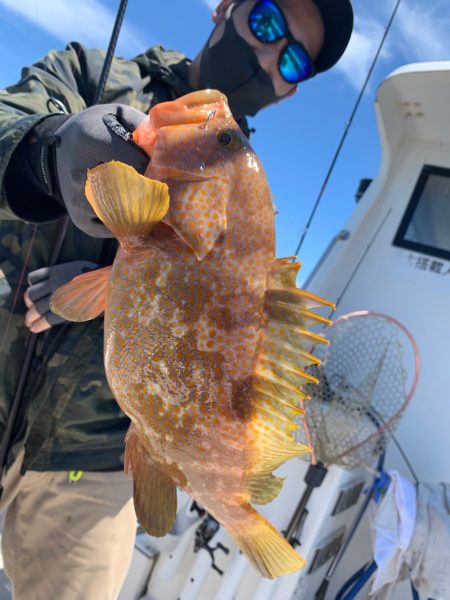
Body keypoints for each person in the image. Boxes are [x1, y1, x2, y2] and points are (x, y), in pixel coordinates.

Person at [0, 0, 353, 598]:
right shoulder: (92, 72)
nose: (269, 53)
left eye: (292, 59)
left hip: (102, 465)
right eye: (267, 22)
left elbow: (203, 316)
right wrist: (48, 150)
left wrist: (105, 285)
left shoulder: (242, 196)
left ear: (291, 91)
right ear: (226, 8)